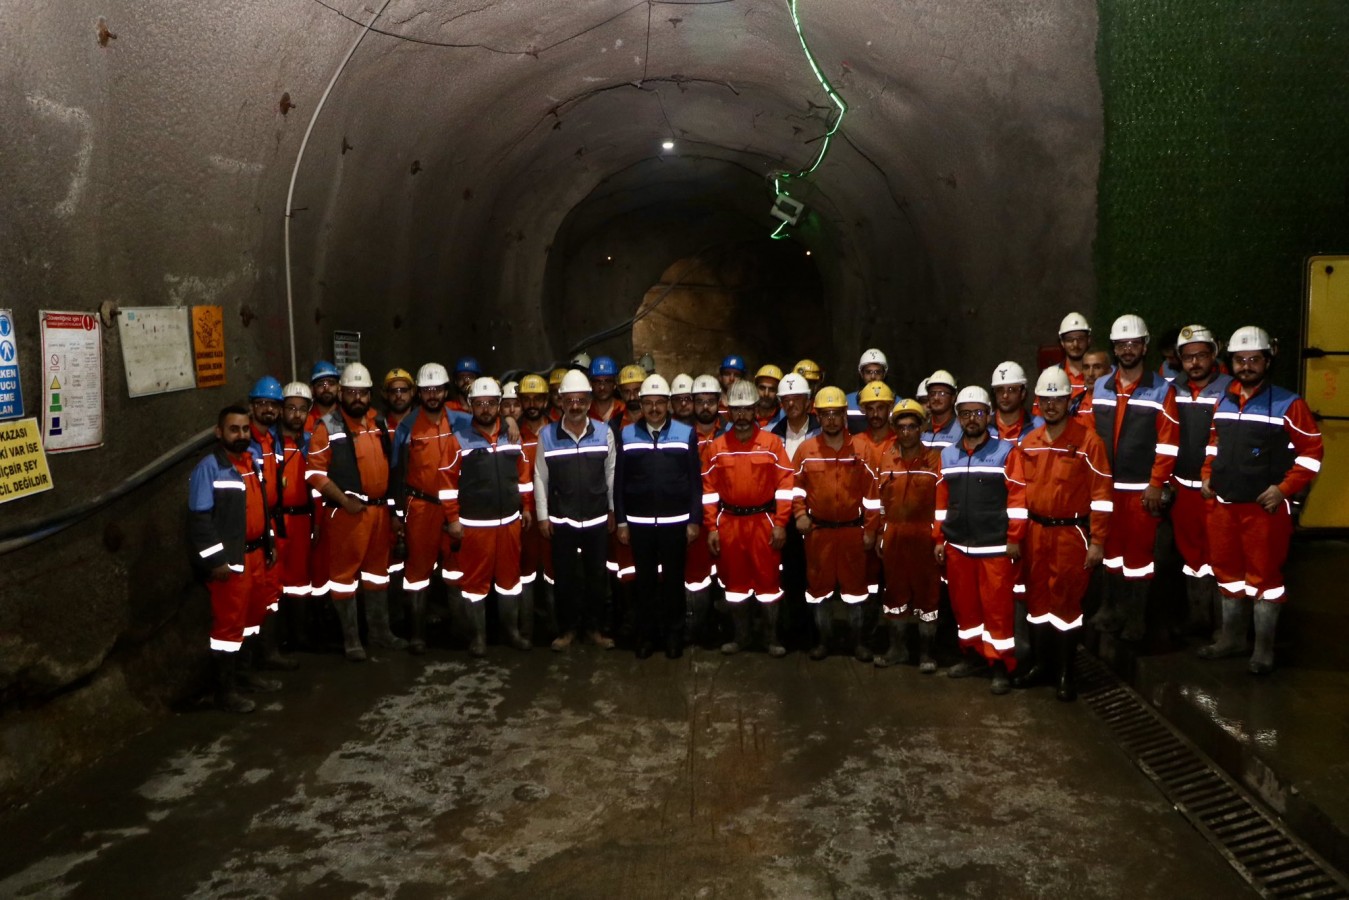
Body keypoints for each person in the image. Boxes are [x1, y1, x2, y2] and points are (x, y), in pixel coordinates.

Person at [1201, 326, 1323, 674]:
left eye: (1254, 359)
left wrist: (1283, 490)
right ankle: (1232, 638)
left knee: (1264, 580)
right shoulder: (1223, 400)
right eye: (1240, 360)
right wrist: (1208, 473)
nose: (1246, 366)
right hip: (1224, 505)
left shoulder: (1289, 403)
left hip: (1263, 510)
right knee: (1227, 575)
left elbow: (1312, 453)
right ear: (1232, 363)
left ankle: (1263, 650)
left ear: (1268, 361)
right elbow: (1214, 442)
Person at [1015, 368, 1112, 701]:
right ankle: (1042, 666)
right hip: (1034, 533)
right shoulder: (1029, 443)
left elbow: (1101, 494)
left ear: (1069, 401)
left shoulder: (1088, 442)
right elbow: (1016, 495)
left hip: (1071, 535)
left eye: (1058, 399)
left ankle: (1066, 672)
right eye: (1046, 399)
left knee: (1067, 606)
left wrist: (1097, 541)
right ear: (1038, 403)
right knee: (1037, 603)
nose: (1052, 405)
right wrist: (1015, 536)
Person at [306, 363, 406, 660]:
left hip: (377, 512)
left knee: (378, 575)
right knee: (344, 577)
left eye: (362, 392)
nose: (357, 398)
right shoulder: (328, 426)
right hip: (347, 514)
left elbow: (393, 468)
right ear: (341, 392)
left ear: (370, 393)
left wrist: (393, 511)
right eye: (351, 392)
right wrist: (343, 500)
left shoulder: (379, 424)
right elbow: (314, 473)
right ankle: (352, 640)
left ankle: (380, 633)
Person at [1089, 315, 1179, 642]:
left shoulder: (1161, 390)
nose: (1127, 349)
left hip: (1140, 489)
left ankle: (1136, 618)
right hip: (1106, 488)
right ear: (1114, 348)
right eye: (1121, 344)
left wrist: (1156, 483)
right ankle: (1111, 609)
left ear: (1145, 345)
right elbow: (1090, 437)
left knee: (1139, 558)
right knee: (1109, 551)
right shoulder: (1100, 387)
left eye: (1133, 343)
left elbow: (1168, 442)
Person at [934, 386, 1027, 695]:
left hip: (995, 547)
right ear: (958, 417)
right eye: (965, 413)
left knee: (997, 611)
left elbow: (1017, 498)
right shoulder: (948, 455)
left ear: (988, 414)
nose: (971, 419)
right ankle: (972, 656)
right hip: (958, 546)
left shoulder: (1005, 452)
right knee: (966, 608)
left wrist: (1014, 537)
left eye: (977, 412)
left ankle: (1000, 665)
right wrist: (939, 539)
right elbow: (941, 502)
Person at [189, 406, 280, 712]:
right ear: (219, 433)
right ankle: (224, 692)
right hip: (231, 563)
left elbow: (260, 508)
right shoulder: (210, 468)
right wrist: (216, 561)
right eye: (233, 429)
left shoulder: (251, 462)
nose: (240, 434)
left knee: (253, 619)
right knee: (228, 628)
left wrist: (268, 543)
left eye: (244, 429)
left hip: (255, 556)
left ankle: (245, 675)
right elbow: (200, 520)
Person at [443, 377, 534, 655]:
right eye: (480, 404)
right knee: (474, 586)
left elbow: (523, 476)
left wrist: (527, 506)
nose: (485, 409)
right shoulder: (458, 440)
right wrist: (453, 519)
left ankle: (511, 632)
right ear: (471, 406)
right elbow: (446, 483)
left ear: (499, 406)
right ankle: (478, 637)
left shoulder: (512, 437)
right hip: (475, 527)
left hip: (509, 523)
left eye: (491, 403)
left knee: (510, 583)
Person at [703, 380, 795, 656]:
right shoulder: (716, 447)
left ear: (756, 410)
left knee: (768, 585)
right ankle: (741, 636)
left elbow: (786, 484)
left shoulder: (772, 444)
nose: (741, 415)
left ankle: (771, 638)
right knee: (735, 586)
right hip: (729, 523)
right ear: (728, 412)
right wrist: (712, 527)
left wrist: (780, 523)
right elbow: (708, 491)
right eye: (736, 410)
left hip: (763, 523)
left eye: (747, 409)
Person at [615, 374, 703, 659]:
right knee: (645, 585)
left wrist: (693, 520)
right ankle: (646, 636)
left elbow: (694, 481)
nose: (654, 409)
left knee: (674, 584)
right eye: (648, 403)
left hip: (675, 523)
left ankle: (673, 636)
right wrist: (622, 521)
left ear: (668, 404)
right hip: (639, 524)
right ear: (640, 404)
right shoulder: (627, 434)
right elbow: (618, 482)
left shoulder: (685, 433)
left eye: (659, 403)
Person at [534, 369, 617, 651]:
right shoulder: (547, 435)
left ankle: (594, 629)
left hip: (596, 518)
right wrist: (543, 516)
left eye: (581, 400)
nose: (575, 405)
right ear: (560, 401)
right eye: (570, 400)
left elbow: (611, 474)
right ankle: (568, 630)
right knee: (565, 578)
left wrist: (612, 510)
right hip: (562, 519)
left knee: (596, 577)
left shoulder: (604, 433)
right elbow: (539, 477)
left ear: (589, 401)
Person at [792, 386, 876, 661]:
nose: (830, 420)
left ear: (845, 416)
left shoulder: (862, 450)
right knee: (819, 591)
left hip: (853, 531)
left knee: (856, 592)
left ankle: (858, 643)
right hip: (819, 533)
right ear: (818, 416)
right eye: (825, 414)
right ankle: (823, 641)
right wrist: (800, 514)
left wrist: (871, 529)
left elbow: (873, 494)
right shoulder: (806, 451)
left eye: (836, 414)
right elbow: (795, 489)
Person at [867, 399, 942, 672]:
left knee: (928, 596)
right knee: (895, 594)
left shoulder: (935, 459)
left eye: (912, 426)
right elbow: (878, 501)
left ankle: (926, 653)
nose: (907, 432)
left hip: (925, 536)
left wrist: (939, 538)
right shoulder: (886, 459)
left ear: (921, 427)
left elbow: (942, 502)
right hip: (895, 535)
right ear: (894, 429)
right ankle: (897, 648)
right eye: (902, 427)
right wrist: (878, 534)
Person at [1168, 325, 1232, 635]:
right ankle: (1198, 619)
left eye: (1201, 355)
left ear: (1214, 355)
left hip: (1218, 490)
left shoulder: (1231, 389)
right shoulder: (1171, 389)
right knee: (1191, 555)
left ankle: (1225, 629)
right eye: (1188, 356)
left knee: (1221, 554)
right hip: (1183, 487)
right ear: (1179, 359)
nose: (1195, 363)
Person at [390, 362, 458, 654]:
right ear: (420, 393)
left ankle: (460, 629)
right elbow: (396, 471)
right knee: (417, 572)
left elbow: (490, 426)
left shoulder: (460, 421)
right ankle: (417, 634)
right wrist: (396, 513)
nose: (432, 395)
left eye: (437, 389)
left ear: (446, 391)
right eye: (427, 389)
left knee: (456, 570)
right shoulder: (407, 427)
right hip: (421, 506)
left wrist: (509, 422)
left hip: (454, 505)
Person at [246, 376, 295, 671]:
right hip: (256, 526)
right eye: (261, 403)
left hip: (273, 521)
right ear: (252, 406)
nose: (268, 409)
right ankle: (254, 661)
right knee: (256, 593)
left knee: (273, 589)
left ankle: (269, 651)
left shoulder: (271, 439)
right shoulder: (246, 441)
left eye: (273, 404)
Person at [684, 374, 730, 643]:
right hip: (694, 515)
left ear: (719, 403)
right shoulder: (682, 434)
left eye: (710, 402)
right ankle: (697, 628)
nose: (704, 407)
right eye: (699, 401)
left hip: (725, 514)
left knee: (725, 573)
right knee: (696, 576)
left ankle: (725, 625)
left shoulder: (729, 433)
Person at [275, 382, 316, 650]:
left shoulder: (312, 444)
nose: (296, 414)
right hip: (276, 521)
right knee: (275, 581)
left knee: (300, 583)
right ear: (282, 410)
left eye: (302, 409)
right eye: (291, 408)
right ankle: (276, 640)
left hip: (303, 520)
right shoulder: (270, 444)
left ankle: (300, 637)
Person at [516, 373, 555, 641]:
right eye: (526, 399)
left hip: (554, 514)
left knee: (555, 572)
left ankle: (556, 627)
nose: (532, 404)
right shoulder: (511, 434)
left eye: (537, 398)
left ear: (546, 400)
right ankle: (526, 629)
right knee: (526, 572)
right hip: (524, 517)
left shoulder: (556, 431)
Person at [847, 348, 890, 434]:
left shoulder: (898, 402)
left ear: (884, 374)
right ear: (861, 374)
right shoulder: (846, 401)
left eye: (877, 372)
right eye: (868, 372)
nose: (873, 377)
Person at [991, 361, 1036, 442]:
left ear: (1023, 393)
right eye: (1000, 390)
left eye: (1011, 390)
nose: (1005, 395)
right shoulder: (983, 428)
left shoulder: (1040, 426)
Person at [921, 370, 961, 449]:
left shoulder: (961, 430)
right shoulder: (920, 429)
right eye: (932, 393)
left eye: (942, 393)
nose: (936, 398)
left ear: (953, 398)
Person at [305, 361, 340, 433]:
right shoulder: (305, 421)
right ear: (312, 389)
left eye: (331, 383)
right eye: (320, 384)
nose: (326, 388)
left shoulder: (348, 417)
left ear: (338, 387)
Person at [588, 356, 623, 424]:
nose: (602, 387)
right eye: (597, 382)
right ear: (591, 384)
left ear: (615, 383)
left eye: (607, 381)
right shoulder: (585, 411)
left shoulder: (623, 410)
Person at [753, 364, 785, 429]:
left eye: (772, 389)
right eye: (762, 388)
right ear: (755, 388)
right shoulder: (745, 416)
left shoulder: (786, 419)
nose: (766, 394)